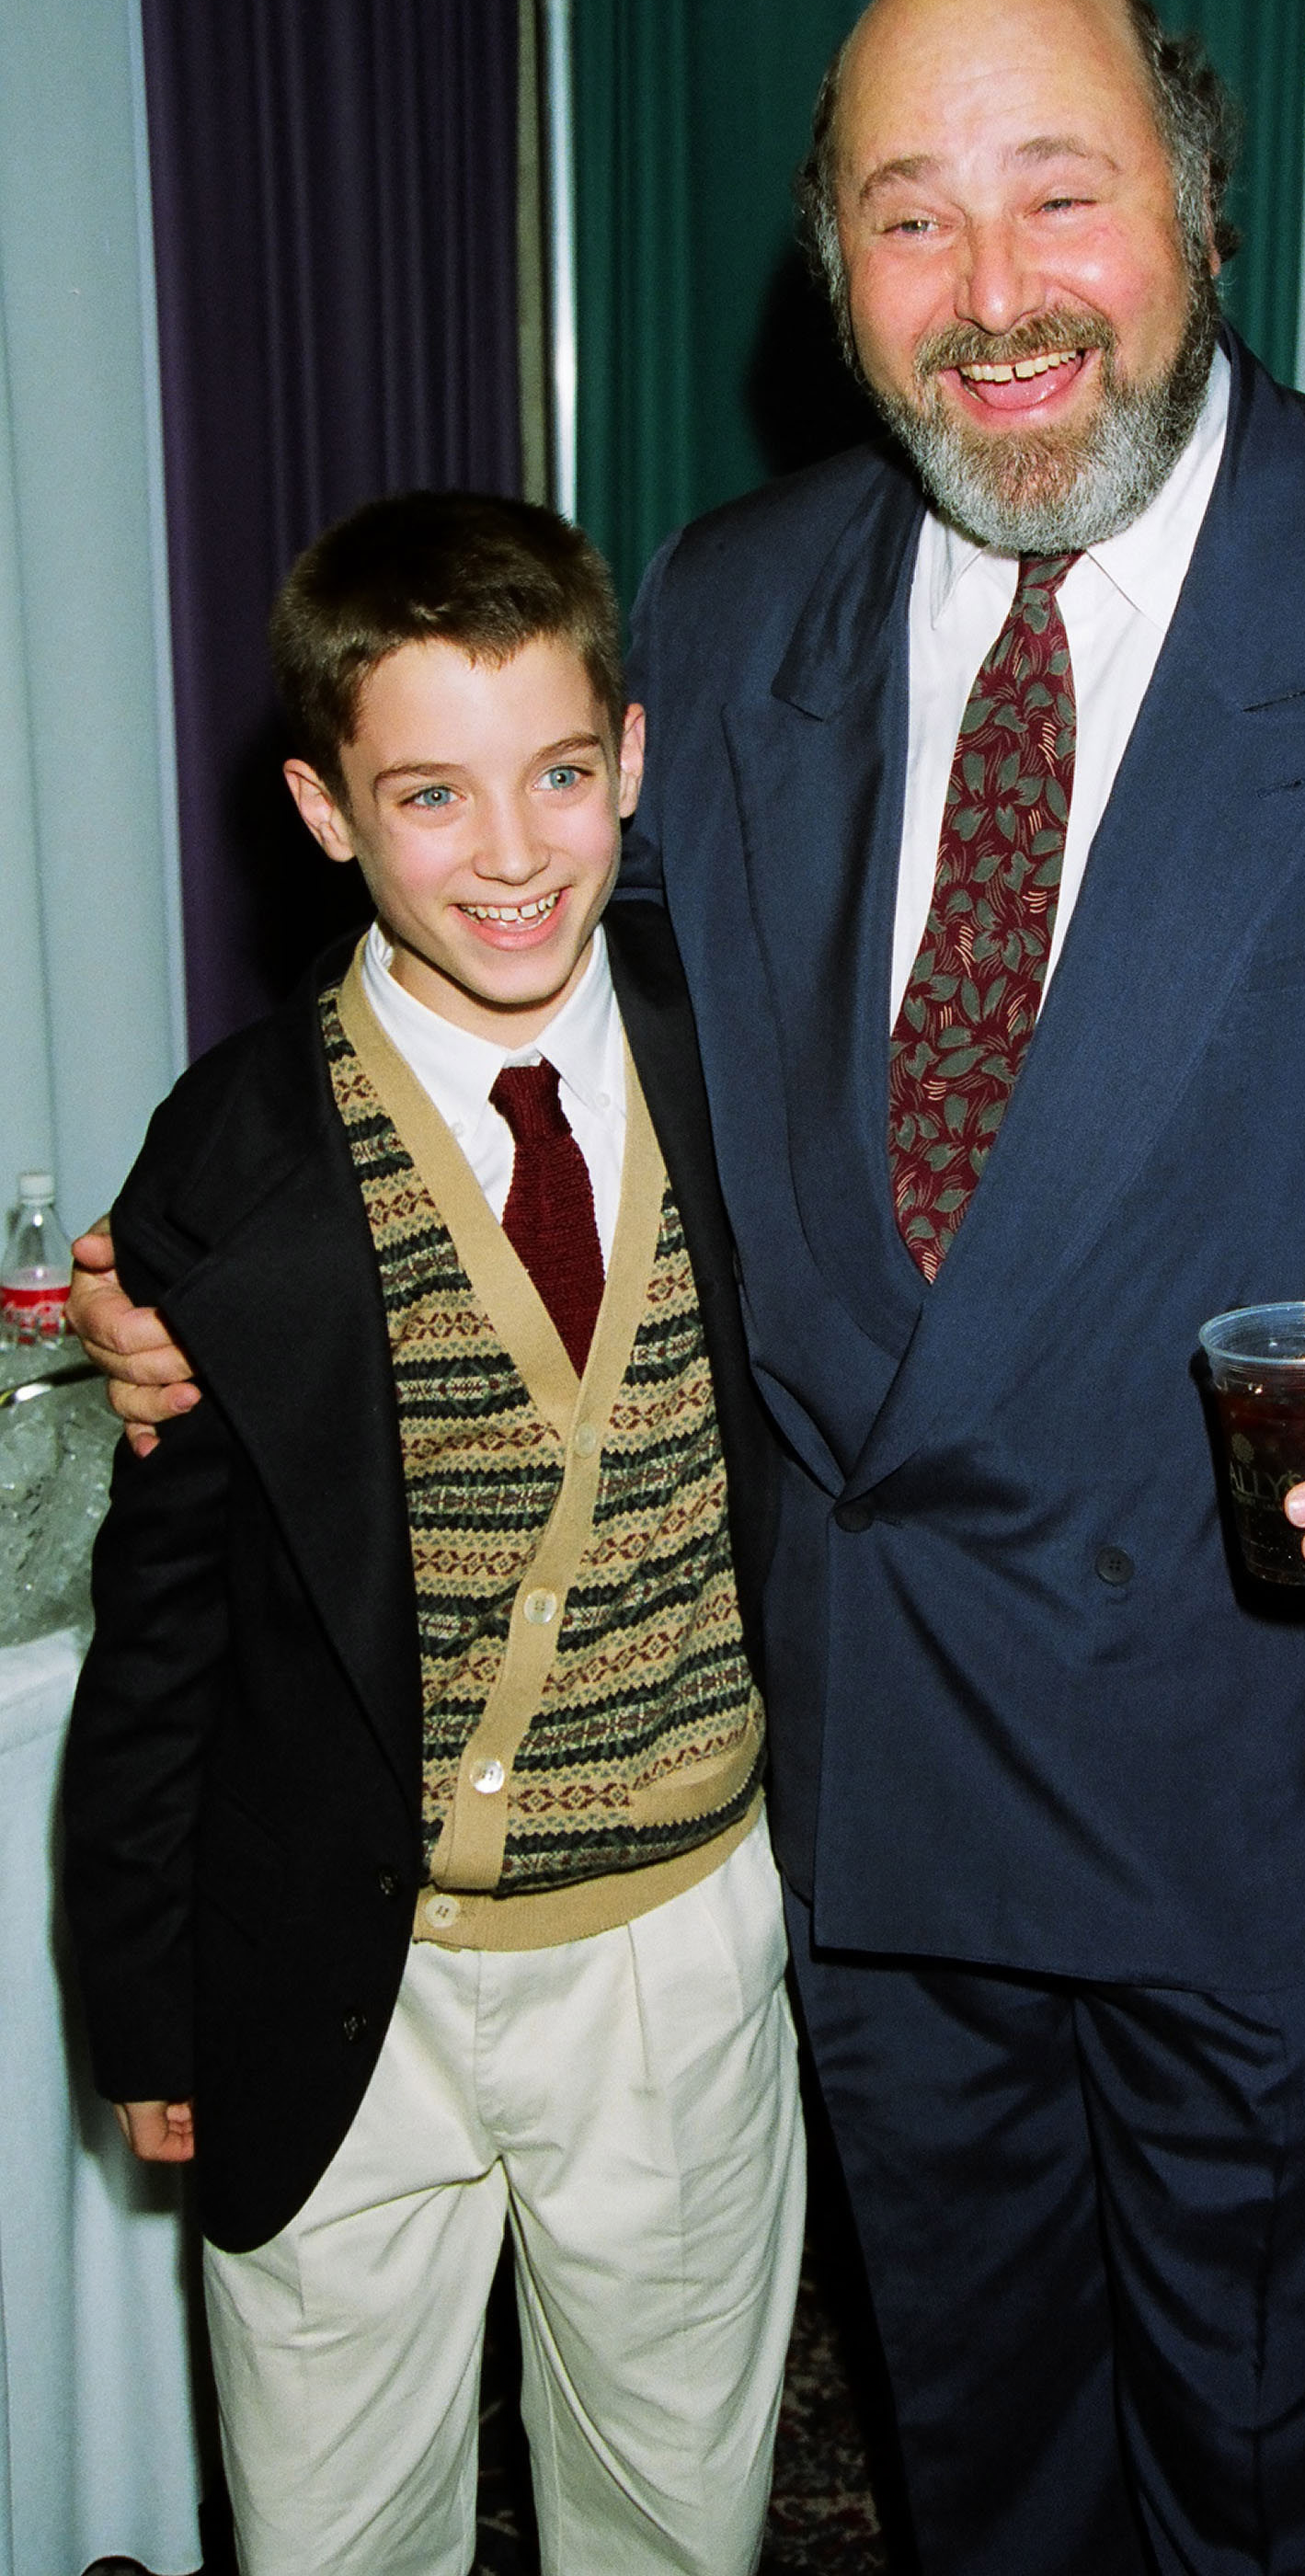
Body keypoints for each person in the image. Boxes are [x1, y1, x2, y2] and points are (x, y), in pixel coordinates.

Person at [74, 0, 1305, 2576]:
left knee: (1261, 2483)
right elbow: (543, 1007)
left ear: (1192, 212)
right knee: (978, 2465)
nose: (993, 293)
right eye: (910, 220)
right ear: (835, 278)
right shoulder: (730, 598)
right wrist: (205, 1251)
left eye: (1056, 194)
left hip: (1256, 1779)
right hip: (862, 1796)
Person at [61, 492, 804, 2576]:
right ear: (321, 809)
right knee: (328, 2524)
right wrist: (147, 2007)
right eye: (425, 795)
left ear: (628, 765)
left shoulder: (744, 1054)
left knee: (669, 2510)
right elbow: (166, 1627)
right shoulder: (230, 1158)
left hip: (674, 1943)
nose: (507, 852)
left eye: (559, 776)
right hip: (337, 1972)